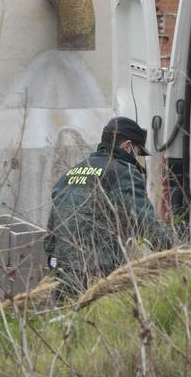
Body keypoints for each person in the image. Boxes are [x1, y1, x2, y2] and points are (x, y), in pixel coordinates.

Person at [44, 117, 173, 297]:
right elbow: (147, 224)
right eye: (138, 152)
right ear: (127, 147)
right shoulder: (122, 172)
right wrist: (178, 254)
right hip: (98, 274)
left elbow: (51, 233)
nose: (140, 160)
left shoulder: (70, 173)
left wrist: (54, 268)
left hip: (62, 273)